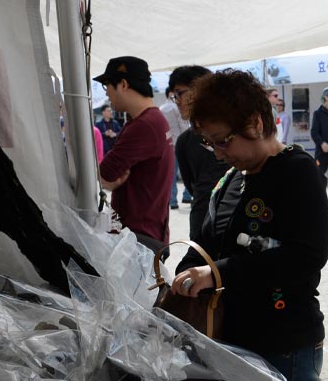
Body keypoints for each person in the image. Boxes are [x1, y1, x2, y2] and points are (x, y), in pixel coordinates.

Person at [172, 69, 328, 381]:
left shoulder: (298, 172)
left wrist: (217, 272)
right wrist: (188, 270)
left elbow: (307, 255)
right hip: (232, 338)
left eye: (222, 141)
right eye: (209, 144)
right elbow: (207, 240)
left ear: (256, 123)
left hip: (283, 344)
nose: (217, 153)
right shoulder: (232, 179)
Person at [94, 56, 175, 250]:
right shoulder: (155, 120)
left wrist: (105, 180)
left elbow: (103, 173)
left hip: (138, 238)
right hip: (149, 232)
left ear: (122, 84)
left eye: (108, 87)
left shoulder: (144, 125)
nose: (108, 96)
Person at [169, 65, 229, 242]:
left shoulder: (235, 130)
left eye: (180, 93)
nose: (177, 101)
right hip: (201, 223)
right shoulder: (184, 141)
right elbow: (191, 186)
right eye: (174, 96)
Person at [162, 88, 193, 209]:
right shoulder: (176, 108)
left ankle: (173, 201)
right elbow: (184, 126)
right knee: (188, 171)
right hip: (181, 144)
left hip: (168, 145)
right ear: (171, 94)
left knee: (172, 175)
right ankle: (187, 195)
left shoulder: (160, 109)